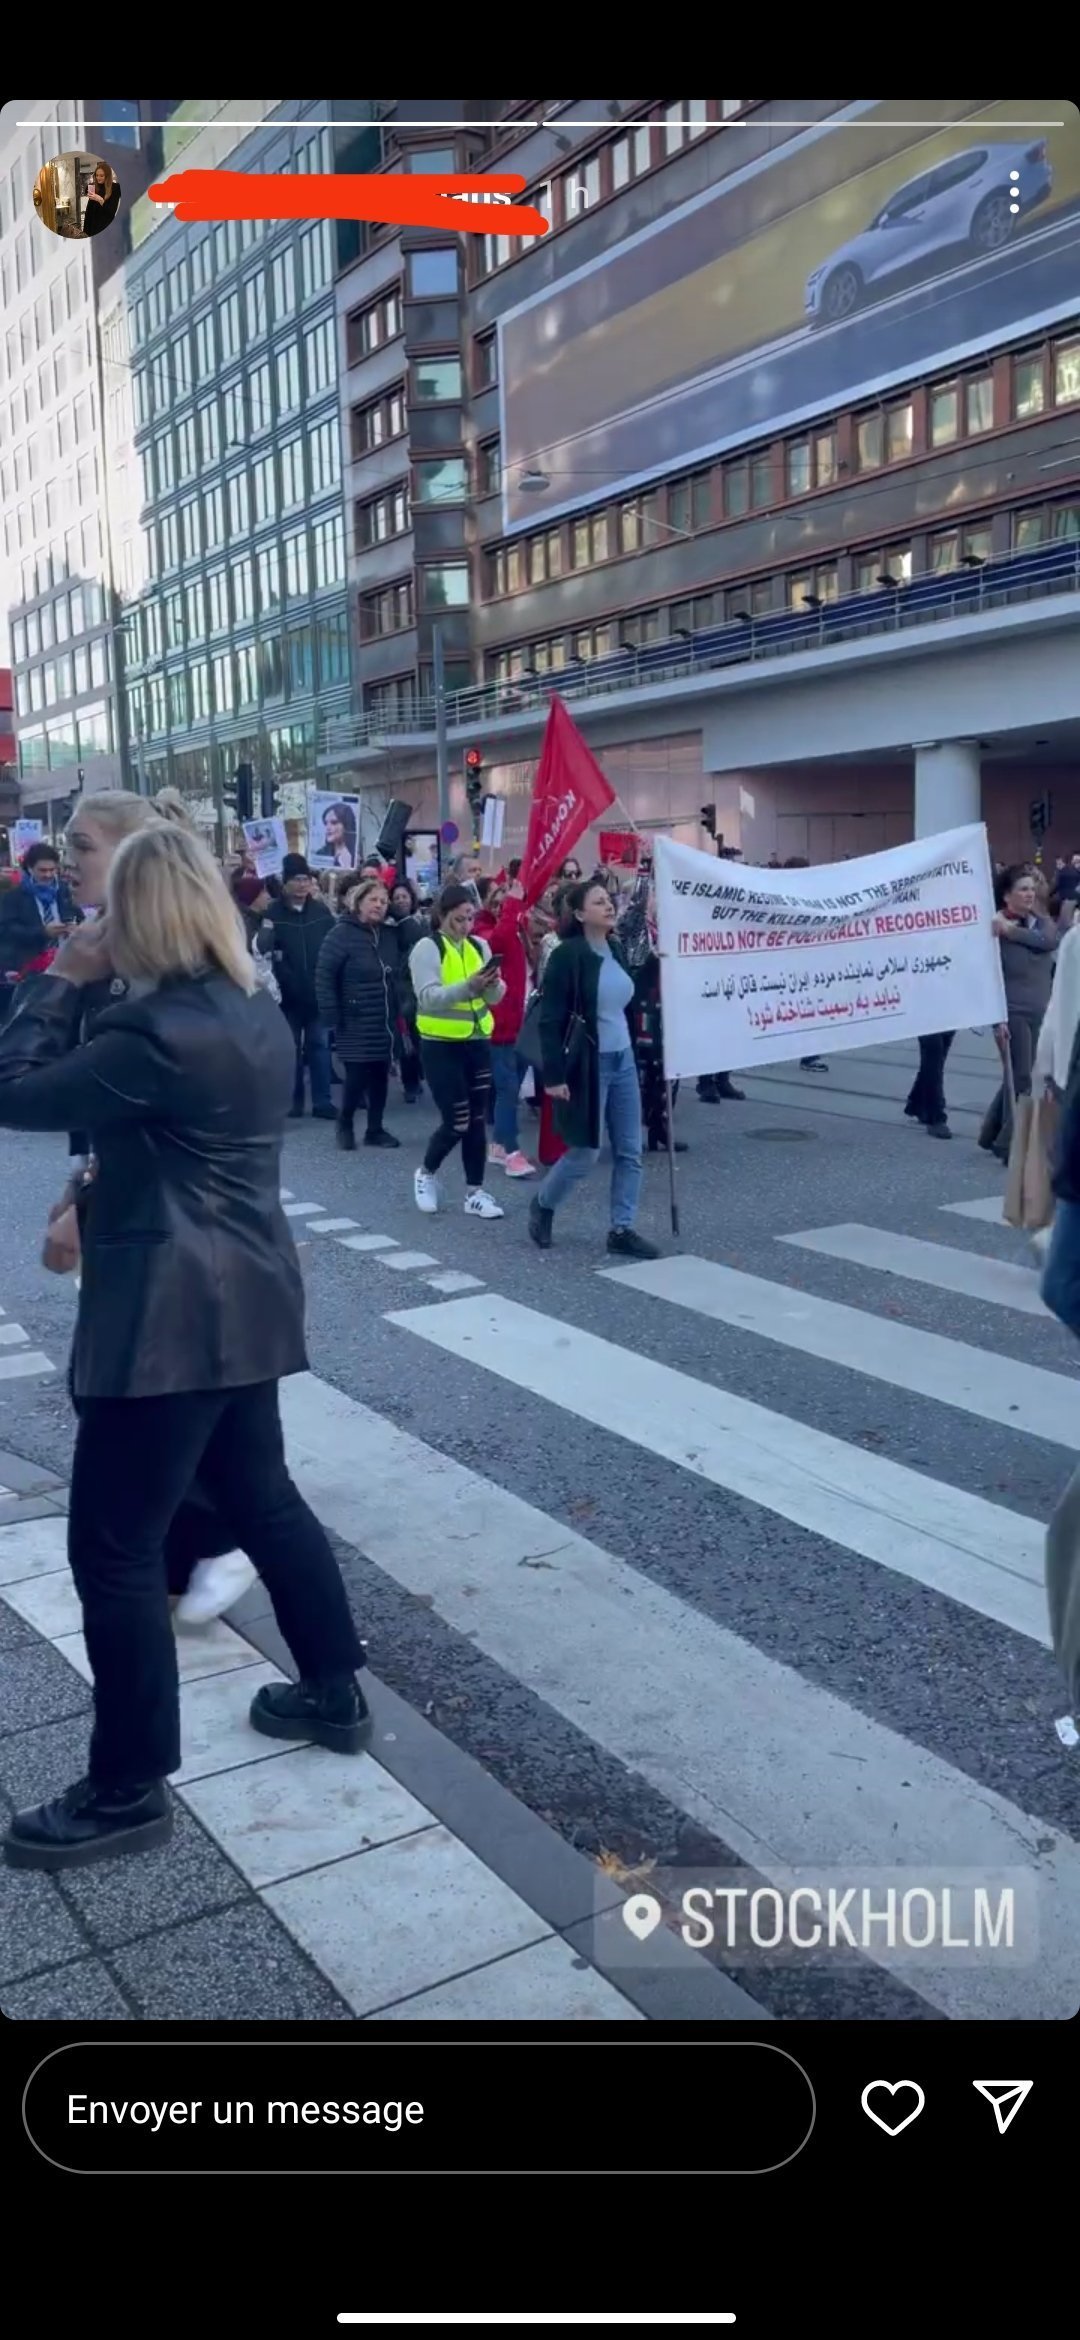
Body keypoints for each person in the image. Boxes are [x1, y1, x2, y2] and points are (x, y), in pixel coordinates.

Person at [0, 824, 370, 1872]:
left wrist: (61, 979)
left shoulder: (151, 1033)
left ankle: (126, 1789)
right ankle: (333, 1688)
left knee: (114, 1550)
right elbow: (161, 1143)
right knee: (265, 1499)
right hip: (247, 1295)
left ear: (141, 915)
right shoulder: (252, 1011)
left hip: (166, 1320)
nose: (92, 921)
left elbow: (12, 1087)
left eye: (107, 908)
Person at [528, 878, 660, 1259]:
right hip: (589, 1061)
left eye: (609, 900)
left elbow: (626, 994)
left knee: (630, 1150)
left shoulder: (614, 948)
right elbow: (550, 1020)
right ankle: (544, 1203)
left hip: (623, 1059)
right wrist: (554, 1076)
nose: (609, 906)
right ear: (580, 913)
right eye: (599, 902)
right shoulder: (568, 956)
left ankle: (622, 1228)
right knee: (586, 1150)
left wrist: (656, 963)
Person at [409, 883, 506, 1218]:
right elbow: (428, 997)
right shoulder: (428, 948)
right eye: (459, 919)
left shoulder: (479, 945)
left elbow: (495, 997)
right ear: (442, 915)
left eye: (470, 918)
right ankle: (426, 1173)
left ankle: (474, 1192)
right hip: (441, 1044)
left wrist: (493, 984)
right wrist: (469, 986)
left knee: (477, 1119)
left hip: (477, 1040)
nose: (466, 926)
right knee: (457, 1120)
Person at [316, 876, 401, 1150]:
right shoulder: (341, 934)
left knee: (380, 1075)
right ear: (358, 902)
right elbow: (325, 974)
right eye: (373, 900)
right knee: (356, 1076)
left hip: (383, 1018)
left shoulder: (386, 934)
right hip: (354, 1017)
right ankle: (345, 1123)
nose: (379, 905)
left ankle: (375, 1129)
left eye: (384, 901)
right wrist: (330, 1012)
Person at [980, 864, 1058, 1162]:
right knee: (1023, 1078)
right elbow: (988, 976)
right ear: (1006, 895)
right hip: (1012, 1012)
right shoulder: (992, 926)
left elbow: (1048, 942)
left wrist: (1012, 931)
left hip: (1041, 1010)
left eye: (1032, 889)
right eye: (1023, 889)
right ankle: (1008, 1144)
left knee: (1020, 1075)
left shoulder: (1039, 922)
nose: (1029, 894)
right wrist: (995, 1019)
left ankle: (990, 1133)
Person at [265, 854, 336, 1118]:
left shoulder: (321, 912)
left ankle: (322, 1102)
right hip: (288, 997)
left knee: (320, 1047)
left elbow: (331, 950)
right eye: (297, 879)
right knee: (291, 1049)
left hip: (318, 994)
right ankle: (293, 1101)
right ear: (285, 882)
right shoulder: (272, 914)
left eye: (306, 879)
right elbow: (268, 954)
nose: (303, 884)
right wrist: (285, 980)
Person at [474, 875, 535, 1176]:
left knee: (511, 1088)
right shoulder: (481, 930)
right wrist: (512, 906)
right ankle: (511, 1152)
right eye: (496, 901)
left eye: (505, 901)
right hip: (499, 1027)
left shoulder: (517, 927)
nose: (502, 906)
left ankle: (498, 1146)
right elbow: (495, 944)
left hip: (520, 1022)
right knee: (508, 1089)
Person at [0, 841, 79, 1004]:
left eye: (52, 870)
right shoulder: (14, 897)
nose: (48, 875)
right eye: (42, 870)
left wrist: (76, 928)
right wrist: (42, 932)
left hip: (64, 964)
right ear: (30, 869)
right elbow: (6, 930)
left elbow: (78, 915)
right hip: (28, 969)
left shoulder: (65, 891)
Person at [388, 878, 425, 1103]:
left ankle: (418, 1075)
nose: (401, 901)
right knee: (406, 1039)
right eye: (396, 898)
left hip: (419, 986)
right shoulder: (390, 927)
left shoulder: (420, 923)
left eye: (404, 896)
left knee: (418, 1037)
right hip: (401, 989)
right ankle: (410, 1082)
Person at [81, 161, 121, 236]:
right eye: (97, 175)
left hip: (104, 226)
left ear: (107, 176)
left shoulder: (115, 188)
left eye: (101, 176)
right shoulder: (93, 186)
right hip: (91, 224)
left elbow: (111, 212)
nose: (98, 178)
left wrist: (100, 199)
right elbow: (89, 210)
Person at [319, 801, 358, 870]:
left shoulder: (356, 856)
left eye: (334, 823)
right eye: (326, 823)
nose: (328, 828)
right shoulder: (321, 854)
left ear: (346, 825)